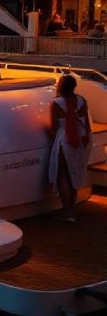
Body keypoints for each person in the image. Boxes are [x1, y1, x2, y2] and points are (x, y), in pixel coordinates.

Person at [47, 75, 92, 222]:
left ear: (61, 86)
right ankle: (72, 208)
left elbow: (53, 128)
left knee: (63, 176)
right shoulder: (81, 101)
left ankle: (68, 212)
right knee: (74, 173)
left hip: (65, 141)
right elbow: (87, 126)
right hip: (81, 140)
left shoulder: (56, 103)